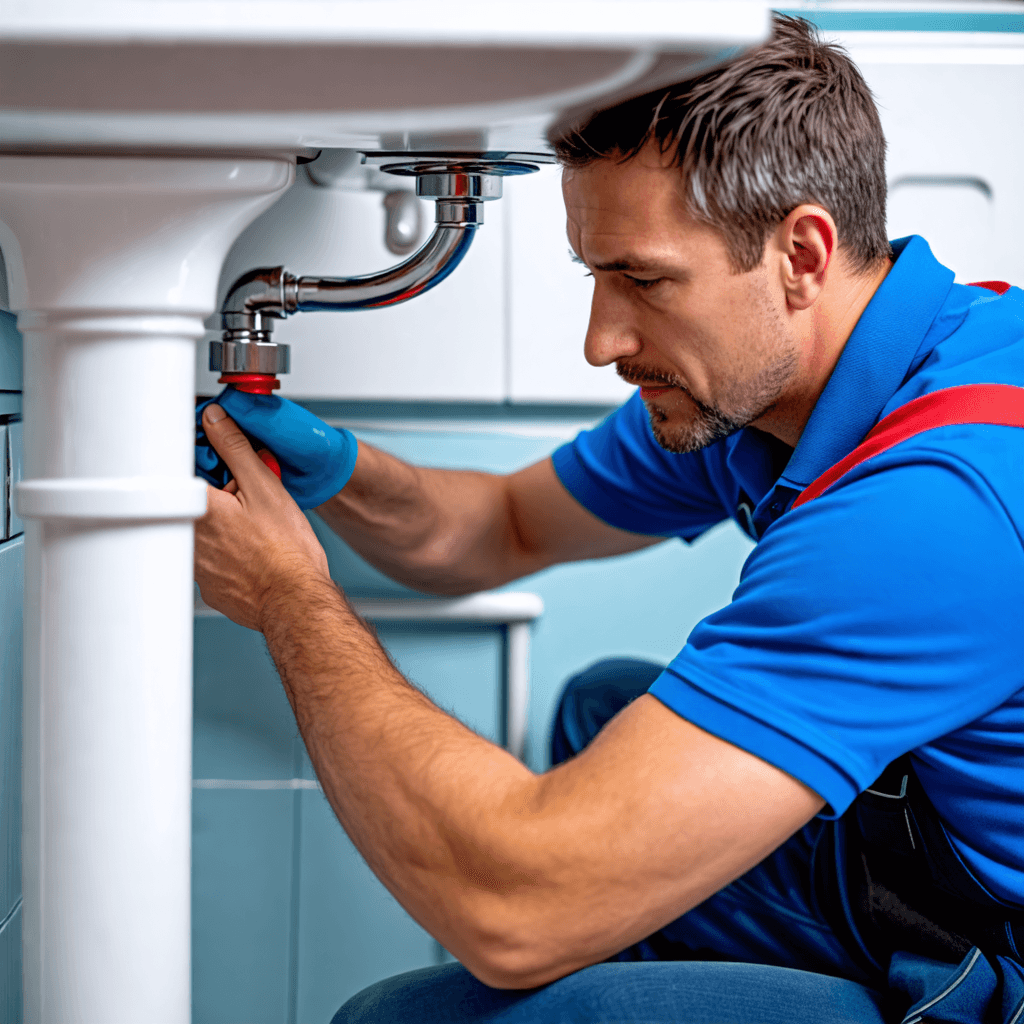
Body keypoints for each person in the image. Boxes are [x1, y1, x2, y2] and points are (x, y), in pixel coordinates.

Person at [194, 15, 1024, 1024]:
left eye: (641, 279)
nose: (601, 340)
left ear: (799, 253)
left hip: (995, 964)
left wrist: (288, 596)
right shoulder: (802, 375)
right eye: (596, 275)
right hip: (919, 857)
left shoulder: (929, 504)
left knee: (403, 1020)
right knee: (602, 709)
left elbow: (511, 914)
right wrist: (334, 469)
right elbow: (499, 527)